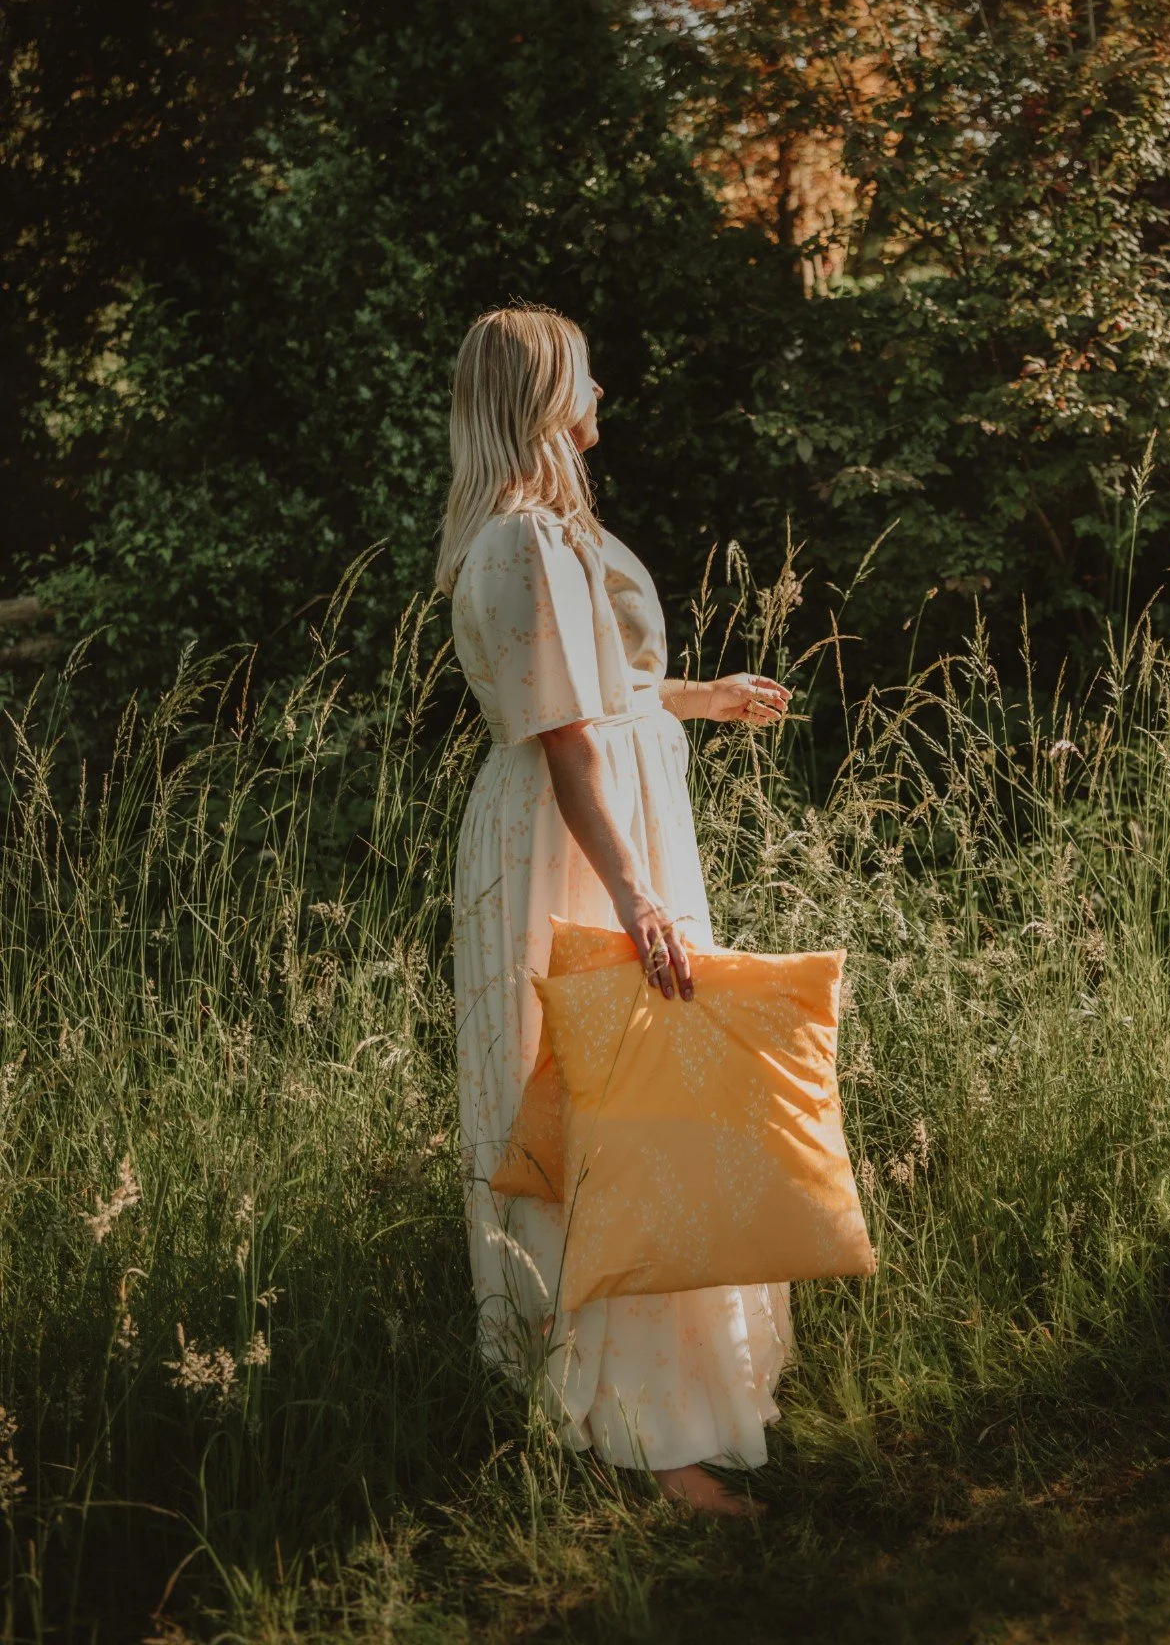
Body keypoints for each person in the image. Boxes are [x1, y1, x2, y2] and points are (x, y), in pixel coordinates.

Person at [438, 305, 793, 1514]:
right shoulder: (522, 541)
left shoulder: (547, 533)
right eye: (586, 377)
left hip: (596, 821)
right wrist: (633, 890)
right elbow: (566, 732)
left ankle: (652, 1404)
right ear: (543, 397)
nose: (604, 395)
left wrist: (698, 695)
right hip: (573, 843)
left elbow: (605, 688)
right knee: (612, 1112)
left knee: (635, 1095)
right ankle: (635, 1427)